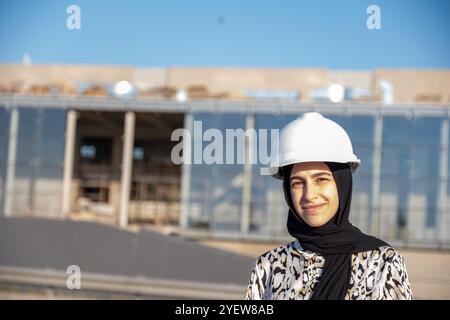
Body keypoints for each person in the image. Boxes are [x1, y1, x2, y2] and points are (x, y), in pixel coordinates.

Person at [244, 112, 413, 300]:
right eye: (297, 183)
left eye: (321, 180)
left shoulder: (382, 262)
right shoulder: (268, 266)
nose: (309, 195)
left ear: (342, 184)